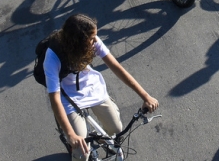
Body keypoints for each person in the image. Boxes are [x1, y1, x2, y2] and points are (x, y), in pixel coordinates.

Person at [45, 14, 159, 161]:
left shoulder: (93, 42)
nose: (96, 41)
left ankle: (98, 139)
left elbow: (117, 68)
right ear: (78, 43)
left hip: (91, 88)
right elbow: (55, 100)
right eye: (91, 39)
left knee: (115, 130)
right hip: (68, 97)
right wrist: (71, 135)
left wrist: (145, 96)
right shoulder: (52, 57)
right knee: (82, 153)